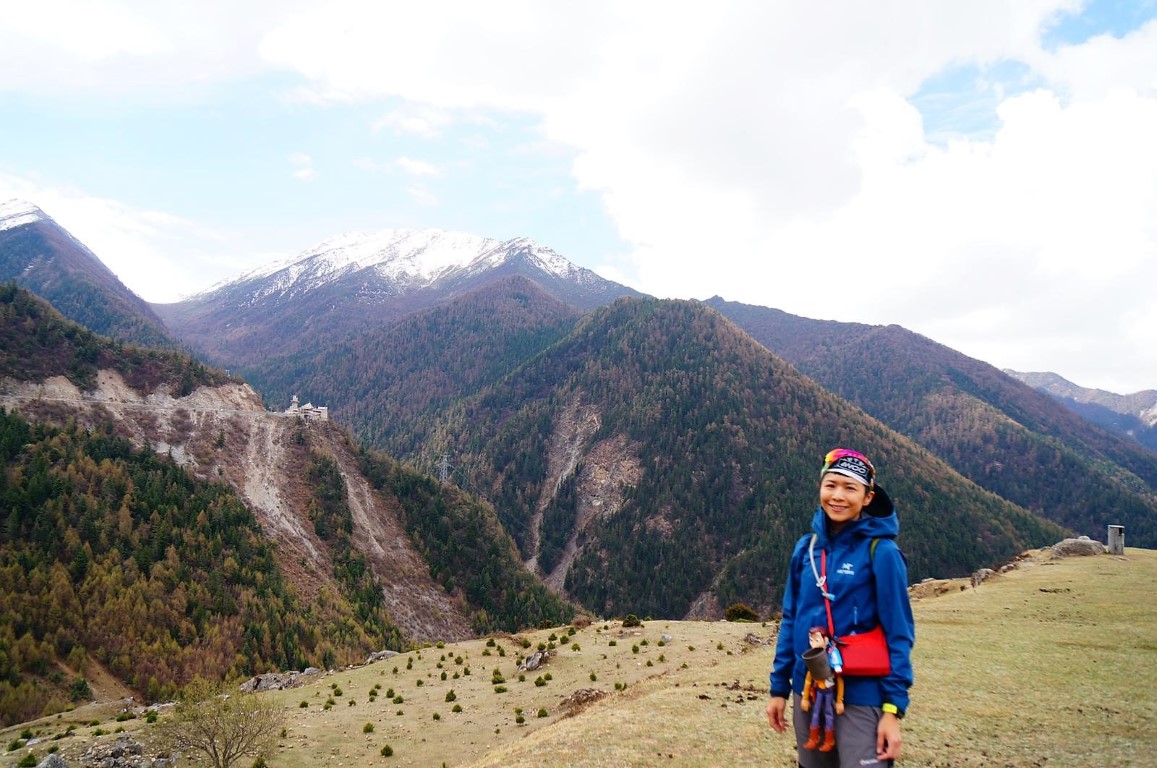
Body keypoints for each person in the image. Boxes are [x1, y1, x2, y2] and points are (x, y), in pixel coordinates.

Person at [767, 448, 915, 767]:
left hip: (862, 695)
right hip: (807, 690)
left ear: (867, 497)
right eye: (831, 484)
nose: (838, 496)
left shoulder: (883, 552)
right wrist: (778, 688)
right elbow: (791, 620)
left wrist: (892, 710)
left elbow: (899, 634)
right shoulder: (805, 548)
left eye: (850, 488)